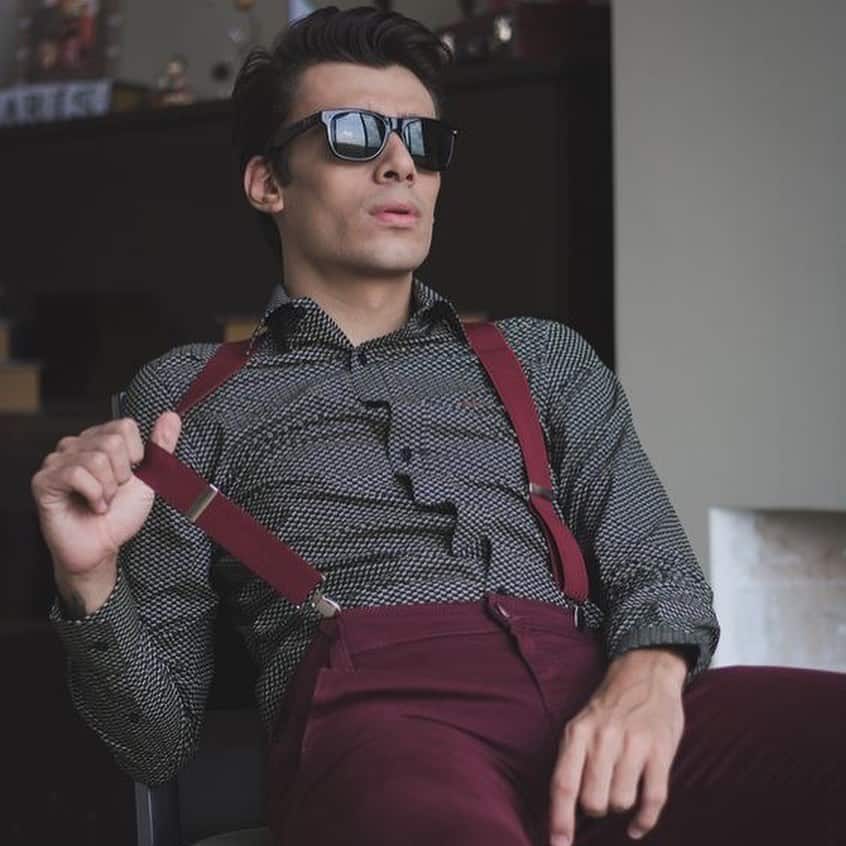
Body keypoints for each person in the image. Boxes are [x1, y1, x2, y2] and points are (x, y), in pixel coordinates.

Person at [31, 6, 845, 846]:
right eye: (353, 133)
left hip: (594, 689)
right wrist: (89, 584)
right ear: (267, 182)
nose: (398, 164)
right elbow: (155, 742)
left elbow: (658, 571)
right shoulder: (186, 395)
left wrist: (647, 678)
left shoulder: (545, 358)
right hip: (386, 729)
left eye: (422, 141)